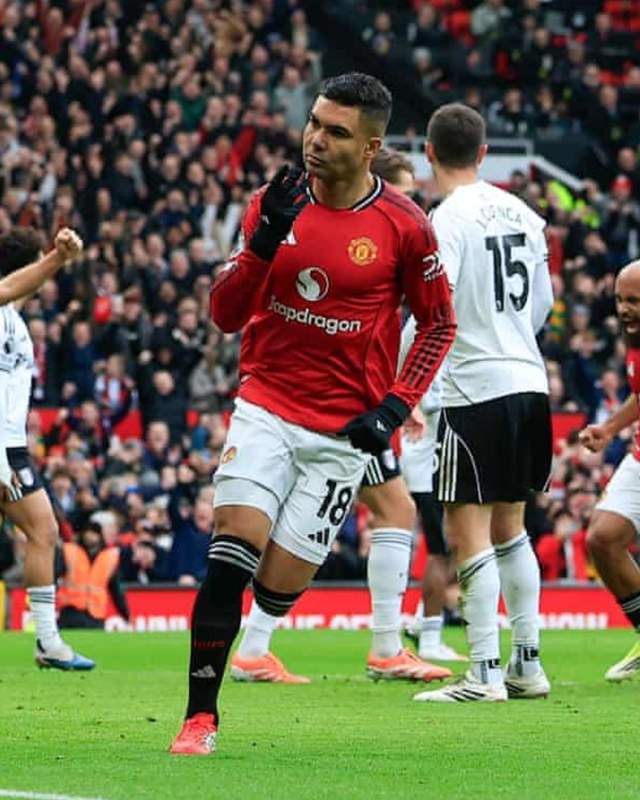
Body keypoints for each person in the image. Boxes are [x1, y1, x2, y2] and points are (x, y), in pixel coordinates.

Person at [170, 73, 456, 755]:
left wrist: (394, 407)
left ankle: (269, 634)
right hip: (265, 404)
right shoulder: (273, 203)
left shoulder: (405, 226)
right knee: (230, 553)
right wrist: (264, 241)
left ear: (371, 147)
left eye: (336, 132)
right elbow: (225, 314)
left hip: (340, 435)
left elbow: (439, 324)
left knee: (278, 588)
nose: (315, 140)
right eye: (314, 124)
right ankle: (200, 718)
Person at [231, 147, 452, 684]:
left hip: (361, 401)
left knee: (388, 511)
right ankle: (380, 646)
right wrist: (396, 402)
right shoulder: (369, 225)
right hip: (343, 407)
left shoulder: (402, 236)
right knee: (395, 510)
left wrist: (402, 400)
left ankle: (263, 646)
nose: (410, 204)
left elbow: (419, 325)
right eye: (402, 191)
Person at [412, 103, 553, 703]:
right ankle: (528, 664)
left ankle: (484, 673)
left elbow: (436, 308)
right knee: (511, 528)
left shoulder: (445, 219)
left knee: (465, 528)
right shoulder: (525, 214)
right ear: (484, 153)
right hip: (530, 381)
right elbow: (542, 305)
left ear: (429, 153)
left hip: (475, 387)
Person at [0, 226, 94, 670]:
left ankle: (48, 641)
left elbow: (16, 291)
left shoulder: (12, 316)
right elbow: (8, 288)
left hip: (12, 446)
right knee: (43, 531)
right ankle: (48, 641)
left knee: (44, 532)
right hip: (2, 449)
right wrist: (57, 256)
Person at [580, 260, 640, 681]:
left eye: (634, 300)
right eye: (620, 299)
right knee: (602, 538)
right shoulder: (634, 341)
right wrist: (609, 429)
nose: (624, 309)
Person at [400, 318, 467, 662]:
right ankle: (429, 637)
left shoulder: (450, 332)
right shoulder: (421, 325)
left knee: (455, 546)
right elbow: (396, 369)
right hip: (427, 460)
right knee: (441, 550)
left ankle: (420, 621)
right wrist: (411, 407)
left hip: (437, 457)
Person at [57, 521, 129, 629]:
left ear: (100, 536)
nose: (90, 536)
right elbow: (54, 576)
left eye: (94, 533)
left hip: (95, 613)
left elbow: (115, 590)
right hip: (71, 609)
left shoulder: (108, 558)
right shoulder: (70, 551)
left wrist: (125, 613)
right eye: (88, 532)